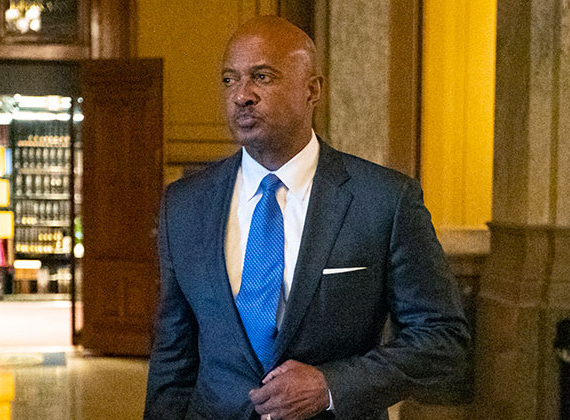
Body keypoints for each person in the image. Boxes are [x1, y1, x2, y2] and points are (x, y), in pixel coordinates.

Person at [144, 16, 471, 420]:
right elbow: (172, 356)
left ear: (312, 90)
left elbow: (442, 339)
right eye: (229, 80)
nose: (241, 95)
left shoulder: (384, 200)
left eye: (261, 77)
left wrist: (331, 386)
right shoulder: (185, 204)